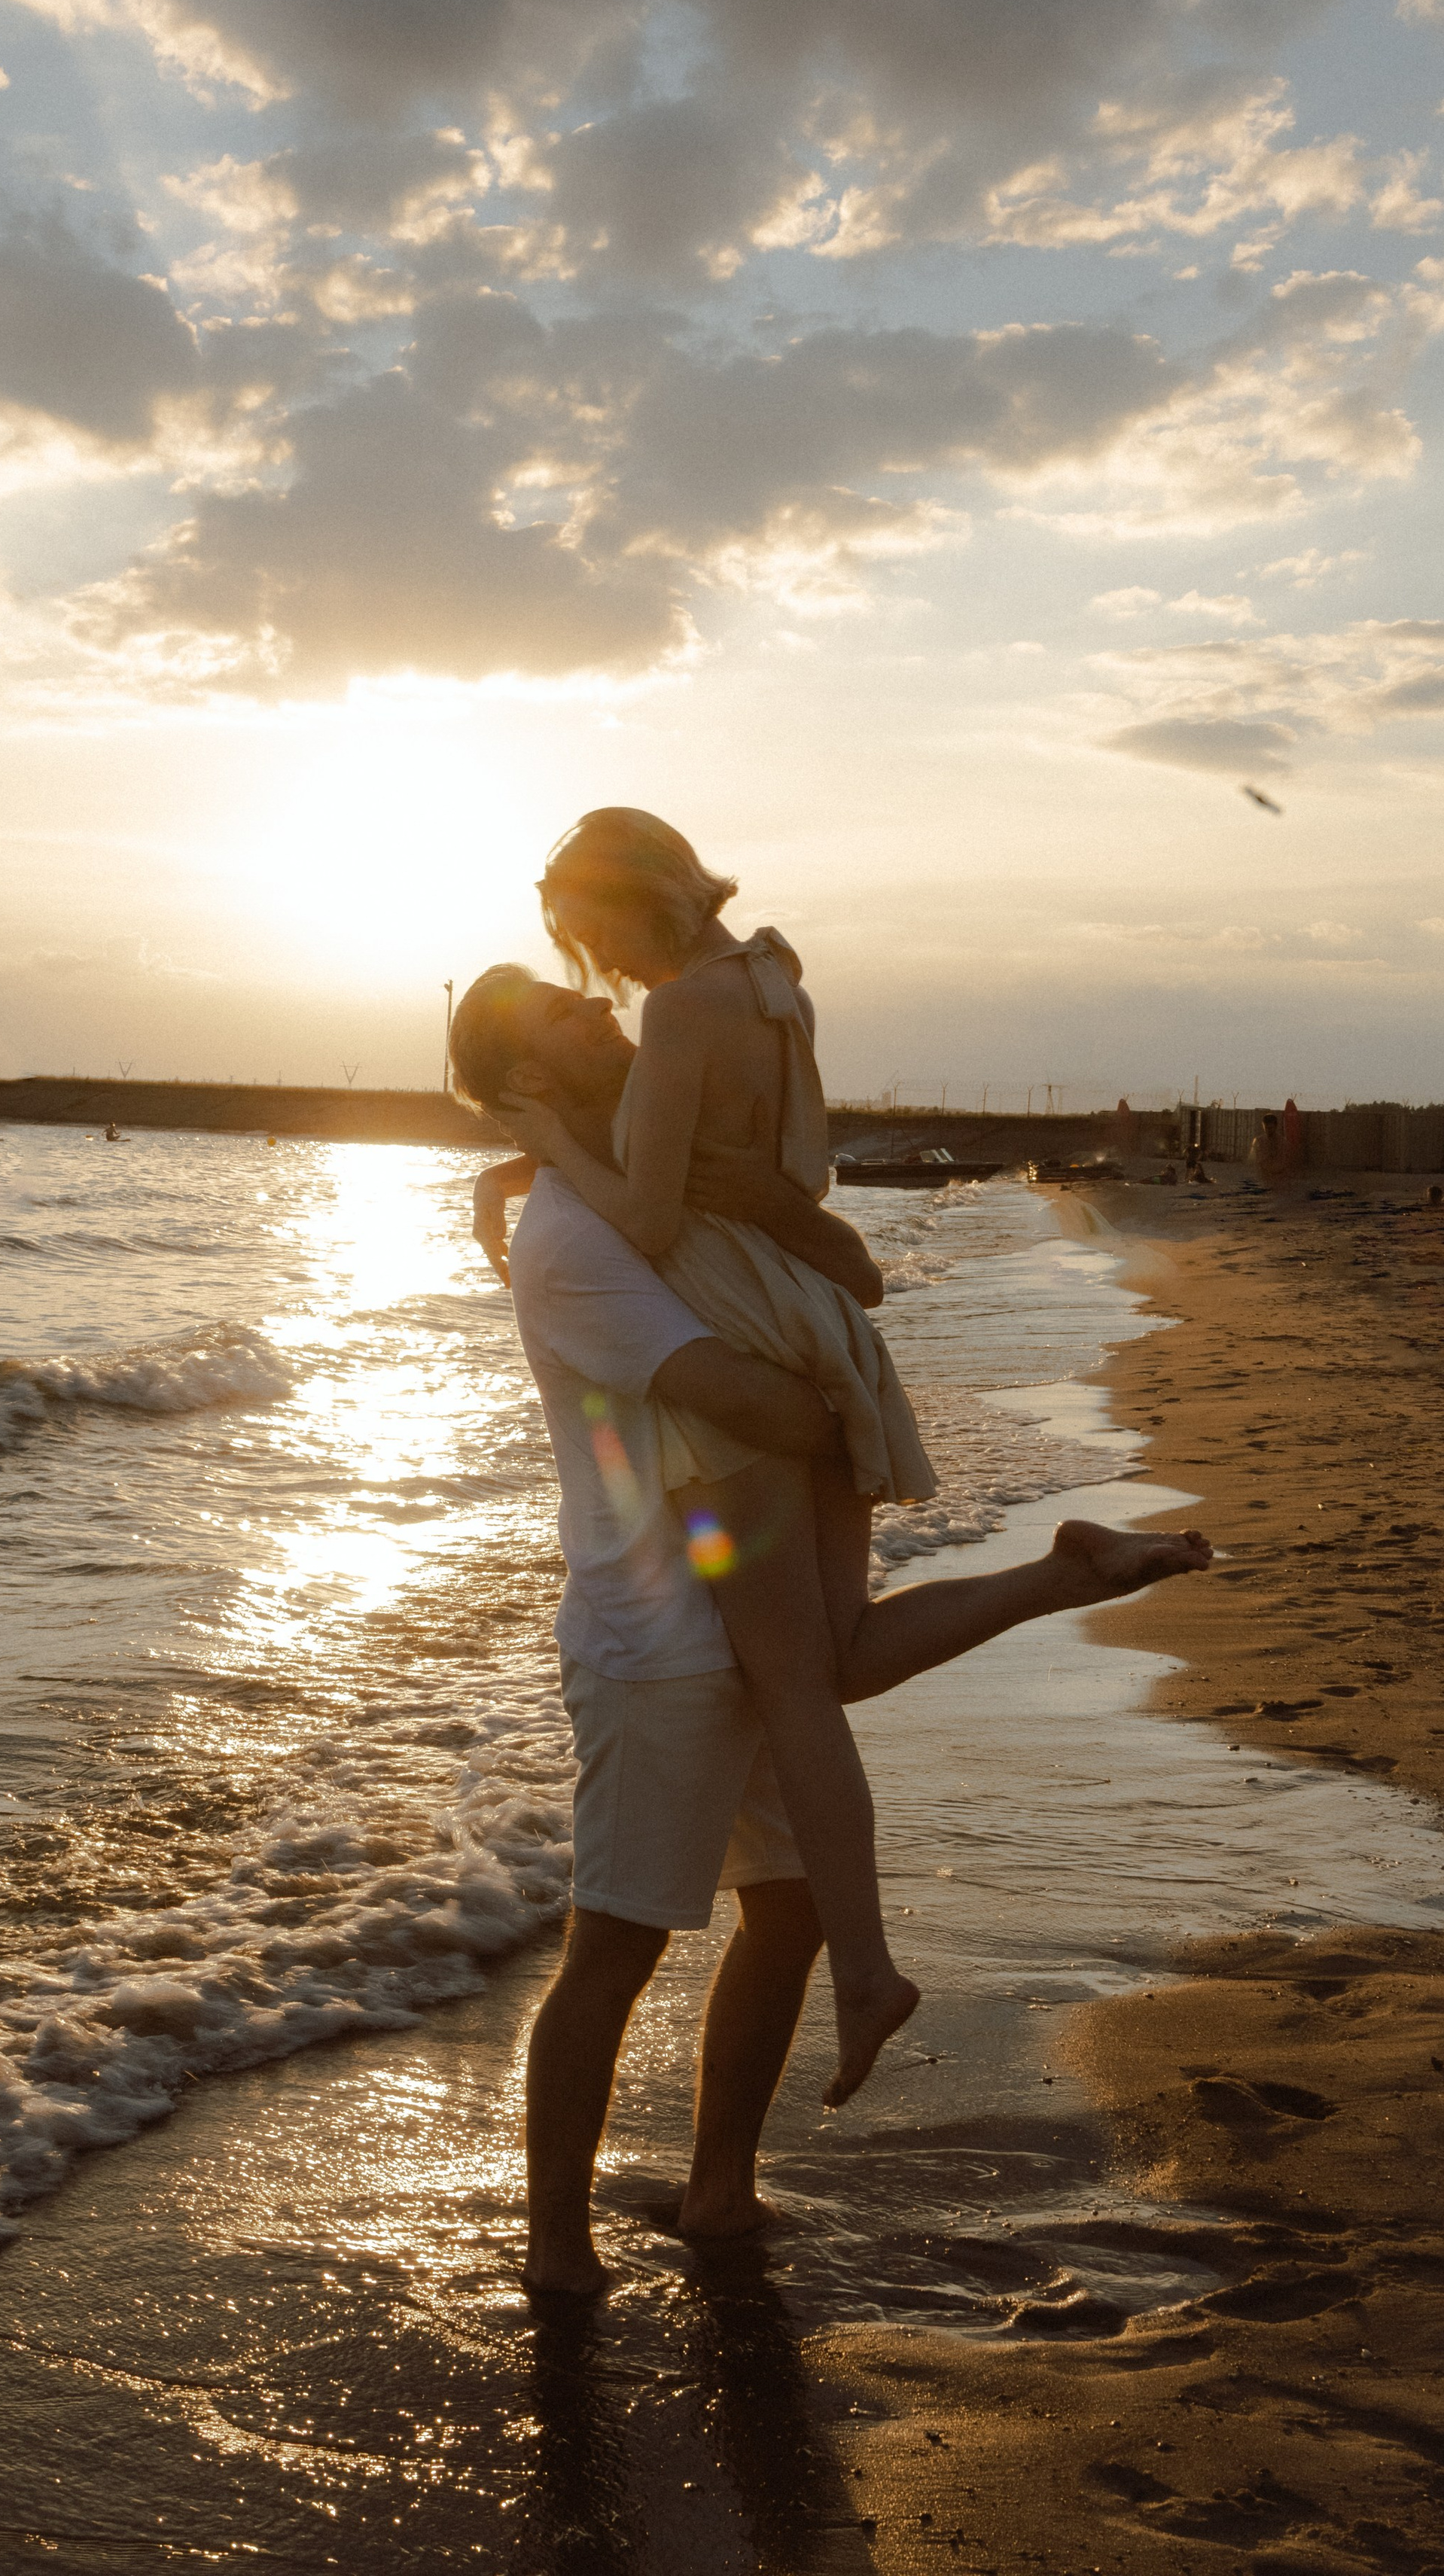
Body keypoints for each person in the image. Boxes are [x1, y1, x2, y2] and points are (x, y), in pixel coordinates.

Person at [447, 962, 1210, 2297]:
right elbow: (757, 1407)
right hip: (658, 1643)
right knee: (614, 1951)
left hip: (742, 1594)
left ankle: (719, 2191)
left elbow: (819, 1258)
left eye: (596, 999)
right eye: (568, 1018)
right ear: (520, 1083)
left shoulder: (627, 1188)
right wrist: (825, 1383)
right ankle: (555, 2248)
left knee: (790, 1913)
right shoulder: (573, 1239)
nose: (603, 1016)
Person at [489, 811, 934, 2105]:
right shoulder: (776, 988)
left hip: (742, 1305)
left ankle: (866, 1970)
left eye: (600, 940)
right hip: (810, 1299)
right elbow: (798, 1198)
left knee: (802, 1681)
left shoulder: (682, 1011)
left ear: (641, 901)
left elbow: (651, 1207)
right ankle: (1055, 1582)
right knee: (833, 1656)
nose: (606, 976)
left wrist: (550, 1154)